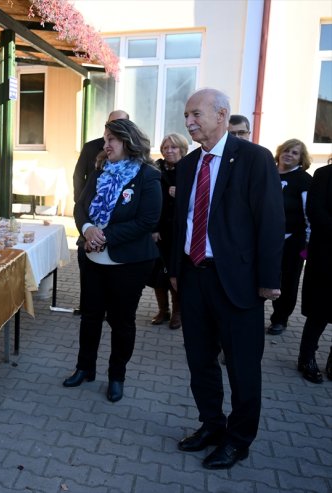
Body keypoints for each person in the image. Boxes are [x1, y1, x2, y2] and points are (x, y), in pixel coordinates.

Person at [170, 88, 284, 470]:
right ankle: (211, 426)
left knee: (242, 367)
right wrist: (175, 271)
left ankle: (239, 440)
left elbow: (270, 221)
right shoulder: (188, 165)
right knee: (200, 361)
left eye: (196, 114)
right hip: (194, 278)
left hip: (237, 283)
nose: (189, 122)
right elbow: (180, 224)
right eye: (187, 115)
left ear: (221, 114)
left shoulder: (253, 159)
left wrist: (270, 280)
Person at [65, 118, 162, 404]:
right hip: (92, 257)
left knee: (122, 322)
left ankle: (116, 376)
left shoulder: (148, 176)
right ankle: (85, 368)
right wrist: (87, 230)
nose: (105, 145)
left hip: (129, 262)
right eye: (105, 139)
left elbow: (147, 220)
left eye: (111, 140)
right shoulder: (100, 172)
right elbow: (80, 207)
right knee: (91, 316)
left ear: (128, 142)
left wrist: (105, 234)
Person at [72, 110, 129, 313]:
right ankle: (87, 303)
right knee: (85, 259)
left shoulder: (137, 162)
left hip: (116, 227)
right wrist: (83, 206)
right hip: (89, 216)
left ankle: (108, 306)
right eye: (110, 124)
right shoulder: (91, 147)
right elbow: (79, 177)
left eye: (120, 124)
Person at [266, 139, 313, 335]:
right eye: (286, 150)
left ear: (301, 158)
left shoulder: (304, 180)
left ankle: (280, 319)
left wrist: (308, 242)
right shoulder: (267, 173)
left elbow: (308, 212)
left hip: (292, 240)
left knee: (288, 280)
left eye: (294, 153)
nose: (289, 155)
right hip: (265, 238)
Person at [148, 133, 189, 329]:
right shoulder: (155, 169)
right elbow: (150, 202)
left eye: (174, 147)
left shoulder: (190, 169)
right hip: (159, 230)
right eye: (166, 148)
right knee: (158, 274)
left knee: (175, 273)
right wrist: (154, 228)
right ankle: (163, 310)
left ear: (182, 149)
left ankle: (178, 313)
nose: (169, 151)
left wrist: (182, 194)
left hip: (180, 232)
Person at [297, 157, 332, 383]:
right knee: (320, 310)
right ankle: (306, 357)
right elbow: (314, 209)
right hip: (326, 253)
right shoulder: (324, 175)